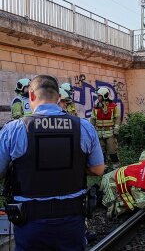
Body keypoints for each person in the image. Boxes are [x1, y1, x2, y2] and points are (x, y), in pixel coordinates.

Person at [0, 75, 105, 250]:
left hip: (29, 222)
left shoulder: (14, 129)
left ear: (31, 95)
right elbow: (98, 169)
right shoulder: (84, 127)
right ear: (58, 98)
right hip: (71, 220)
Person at [100, 151, 145, 219]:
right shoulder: (140, 185)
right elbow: (142, 204)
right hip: (110, 183)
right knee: (114, 208)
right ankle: (99, 198)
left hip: (111, 175)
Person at [90, 87, 121, 166]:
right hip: (99, 133)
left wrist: (116, 129)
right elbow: (93, 119)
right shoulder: (96, 107)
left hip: (110, 132)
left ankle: (116, 164)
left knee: (112, 150)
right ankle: (104, 165)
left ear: (104, 95)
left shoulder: (113, 106)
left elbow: (117, 118)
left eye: (99, 96)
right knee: (101, 151)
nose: (98, 97)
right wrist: (91, 130)